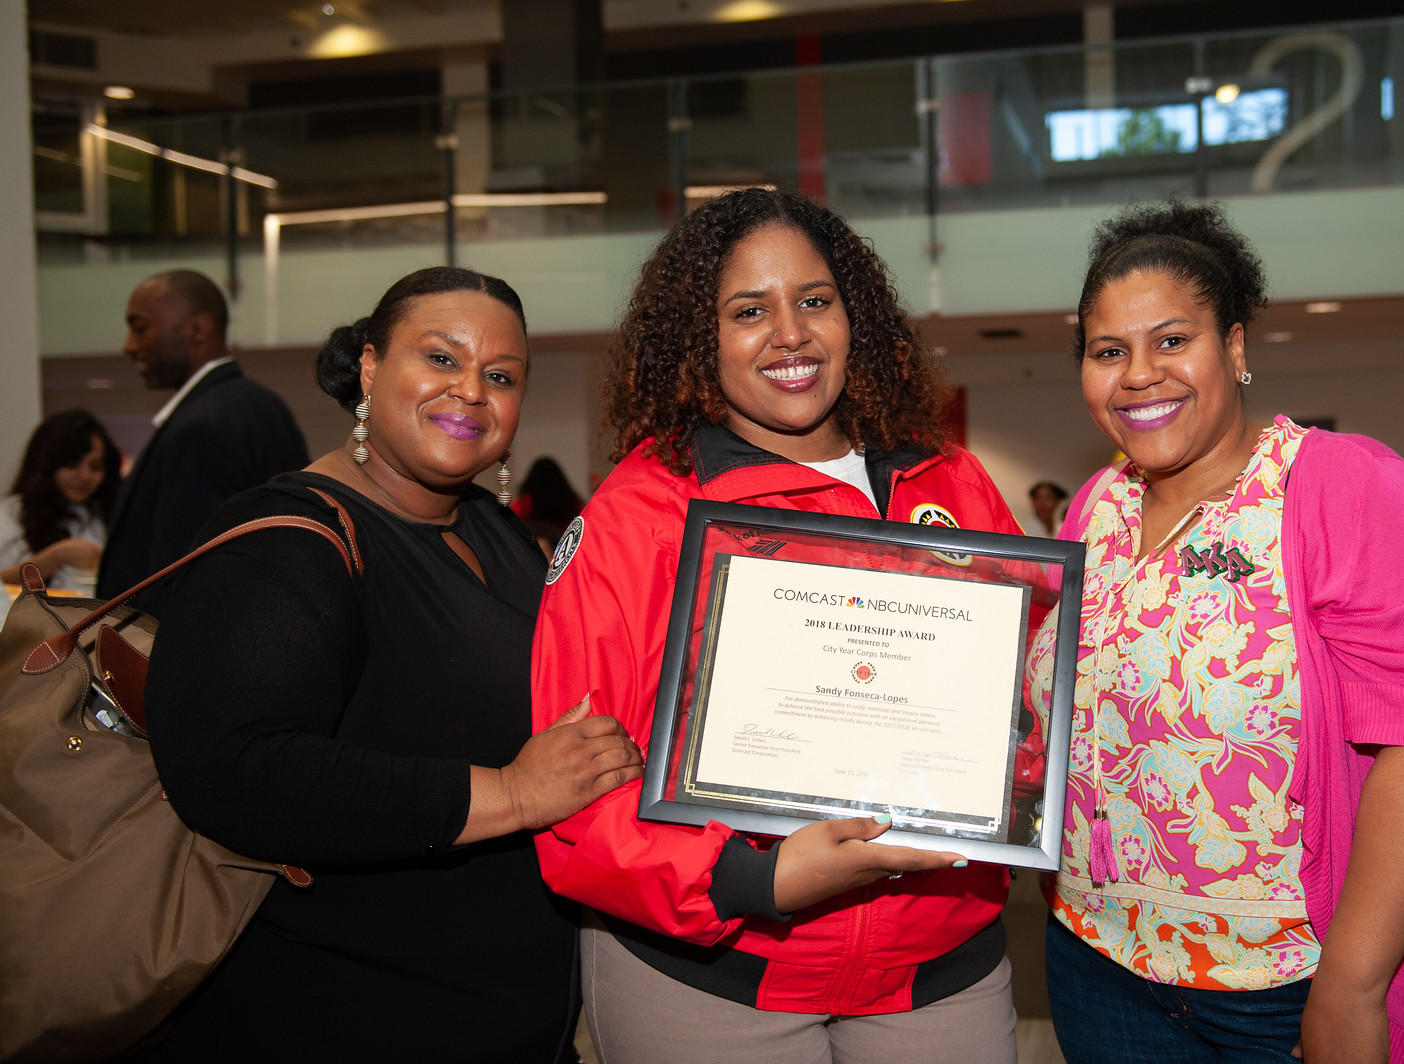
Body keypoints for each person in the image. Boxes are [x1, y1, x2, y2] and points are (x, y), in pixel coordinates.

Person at [529, 189, 1028, 1064]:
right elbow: (577, 789)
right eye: (748, 311)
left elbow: (1030, 697)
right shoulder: (639, 515)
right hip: (714, 975)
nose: (789, 334)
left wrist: (1006, 784)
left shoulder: (950, 480)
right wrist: (752, 878)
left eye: (815, 301)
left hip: (938, 966)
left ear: (855, 318)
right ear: (700, 338)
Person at [1027, 200, 1404, 1064]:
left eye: (1172, 340)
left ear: (1236, 348)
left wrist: (1352, 987)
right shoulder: (1096, 507)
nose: (1139, 374)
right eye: (1108, 351)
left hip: (1289, 980)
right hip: (1097, 961)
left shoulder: (1337, 487)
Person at [141, 266, 643, 1061]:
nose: (472, 391)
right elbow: (234, 769)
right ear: (371, 368)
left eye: (501, 375)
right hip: (339, 1018)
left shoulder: (494, 533)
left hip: (515, 1023)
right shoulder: (288, 536)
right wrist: (512, 792)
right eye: (442, 360)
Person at [97, 269, 308, 615]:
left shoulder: (203, 423)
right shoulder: (262, 403)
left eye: (140, 327)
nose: (129, 346)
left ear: (199, 328)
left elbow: (180, 573)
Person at [0, 409, 121, 594]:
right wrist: (54, 559)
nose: (84, 476)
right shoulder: (11, 515)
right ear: (46, 465)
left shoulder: (109, 514)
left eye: (96, 467)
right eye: (72, 465)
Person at [511, 455, 585, 558]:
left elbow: (510, 526)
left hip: (532, 553)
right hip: (567, 553)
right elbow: (582, 526)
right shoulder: (571, 502)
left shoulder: (524, 502)